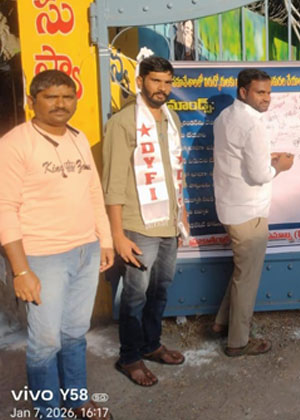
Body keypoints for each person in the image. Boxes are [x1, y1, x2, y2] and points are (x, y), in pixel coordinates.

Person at [0, 69, 113, 419]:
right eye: (51, 97)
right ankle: (49, 411)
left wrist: (105, 240)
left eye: (67, 96)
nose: (60, 104)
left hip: (85, 251)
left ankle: (76, 400)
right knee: (46, 341)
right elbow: (4, 208)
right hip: (42, 257)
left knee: (75, 332)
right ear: (31, 101)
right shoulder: (14, 144)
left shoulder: (78, 137)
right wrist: (21, 270)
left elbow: (93, 192)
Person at [103, 56, 189, 387]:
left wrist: (182, 214)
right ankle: (129, 357)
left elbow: (176, 171)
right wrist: (117, 234)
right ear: (140, 82)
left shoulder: (171, 118)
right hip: (138, 226)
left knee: (160, 290)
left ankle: (151, 344)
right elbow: (113, 183)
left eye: (167, 82)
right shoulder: (123, 122)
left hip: (168, 222)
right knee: (135, 296)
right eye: (155, 81)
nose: (162, 88)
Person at [211, 68, 294, 357]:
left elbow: (237, 157)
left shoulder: (224, 117)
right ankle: (238, 342)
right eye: (260, 92)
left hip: (231, 207)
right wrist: (280, 167)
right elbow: (260, 175)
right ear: (243, 92)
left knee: (241, 271)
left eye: (269, 92)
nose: (266, 98)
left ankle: (222, 323)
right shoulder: (252, 124)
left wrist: (267, 158)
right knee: (247, 279)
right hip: (249, 212)